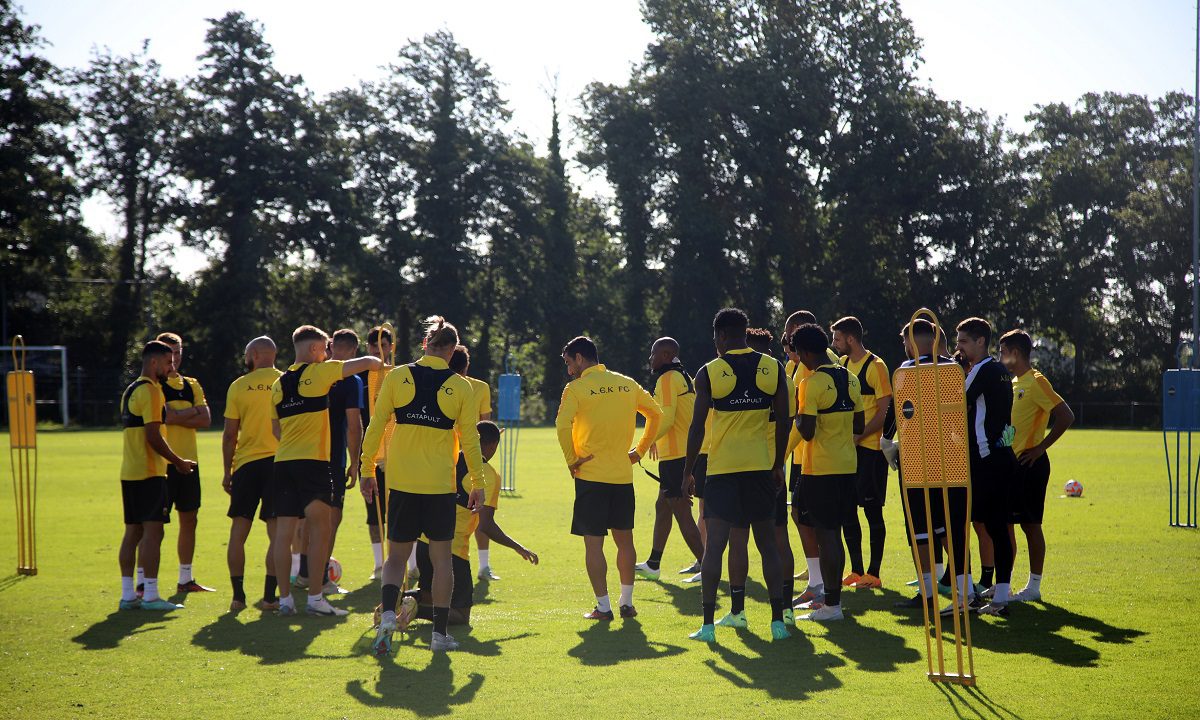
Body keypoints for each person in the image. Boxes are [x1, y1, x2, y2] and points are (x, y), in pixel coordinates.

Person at [364, 317, 484, 654]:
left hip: (402, 483)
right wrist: (478, 482)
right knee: (442, 560)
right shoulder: (462, 386)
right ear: (453, 350)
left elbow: (376, 425)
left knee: (396, 558)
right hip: (439, 486)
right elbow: (471, 441)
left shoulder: (397, 376)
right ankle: (439, 635)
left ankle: (389, 615)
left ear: (425, 344)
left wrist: (366, 468)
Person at [683, 309, 791, 642]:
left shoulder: (708, 372)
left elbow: (697, 427)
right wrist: (777, 464)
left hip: (722, 472)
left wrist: (688, 472)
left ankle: (708, 627)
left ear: (720, 336)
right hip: (760, 469)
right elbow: (784, 421)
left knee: (715, 547)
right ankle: (777, 623)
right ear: (744, 333)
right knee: (768, 546)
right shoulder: (773, 367)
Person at [269, 325, 381, 618]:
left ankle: (285, 601)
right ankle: (316, 598)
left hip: (283, 463)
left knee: (284, 533)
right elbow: (367, 363)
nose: (326, 353)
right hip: (313, 462)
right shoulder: (320, 372)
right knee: (322, 528)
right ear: (315, 349)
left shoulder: (278, 384)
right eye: (324, 348)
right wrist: (382, 363)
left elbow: (275, 429)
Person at [556, 336, 662, 621]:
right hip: (622, 476)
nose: (569, 370)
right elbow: (656, 414)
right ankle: (626, 603)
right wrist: (639, 451)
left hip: (590, 476)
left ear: (580, 358)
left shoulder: (575, 388)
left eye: (569, 363)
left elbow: (562, 424)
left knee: (594, 544)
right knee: (625, 542)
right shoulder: (627, 383)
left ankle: (603, 607)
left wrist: (571, 459)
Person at [412, 421, 538, 625]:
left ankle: (396, 602)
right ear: (493, 445)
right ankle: (414, 610)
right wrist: (518, 547)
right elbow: (486, 525)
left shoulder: (449, 458)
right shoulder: (488, 474)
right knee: (461, 615)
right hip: (452, 550)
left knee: (430, 600)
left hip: (424, 543)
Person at [890, 319, 975, 613]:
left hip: (917, 461)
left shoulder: (907, 370)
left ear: (914, 341)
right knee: (950, 528)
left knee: (921, 529)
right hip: (952, 461)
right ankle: (967, 591)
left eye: (906, 341)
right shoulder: (954, 370)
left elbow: (898, 414)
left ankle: (928, 594)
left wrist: (889, 444)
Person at [118, 341, 197, 611]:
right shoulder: (152, 391)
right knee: (154, 532)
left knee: (132, 533)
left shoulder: (130, 389)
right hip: (150, 472)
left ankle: (128, 595)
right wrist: (178, 462)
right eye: (167, 362)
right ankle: (150, 595)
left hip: (129, 471)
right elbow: (153, 435)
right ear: (154, 362)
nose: (171, 367)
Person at [793, 324, 864, 621]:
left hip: (820, 469)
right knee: (834, 533)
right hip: (847, 466)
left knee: (827, 536)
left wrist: (797, 416)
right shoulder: (850, 378)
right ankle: (832, 602)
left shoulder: (810, 383)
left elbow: (807, 431)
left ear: (805, 352)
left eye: (798, 354)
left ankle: (832, 606)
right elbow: (859, 425)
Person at [999, 329, 1074, 603]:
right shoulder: (1012, 382)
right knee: (1005, 524)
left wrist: (1041, 447)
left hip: (1029, 464)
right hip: (1010, 464)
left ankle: (1034, 586)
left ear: (1015, 353)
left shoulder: (1036, 381)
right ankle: (1003, 584)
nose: (1000, 358)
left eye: (1002, 353)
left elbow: (1066, 415)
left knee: (1030, 525)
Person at [956, 317, 1017, 616]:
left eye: (963, 342)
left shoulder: (981, 370)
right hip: (1002, 455)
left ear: (981, 341)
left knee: (966, 523)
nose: (959, 348)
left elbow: (956, 403)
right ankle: (1000, 594)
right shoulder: (1000, 369)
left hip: (986, 459)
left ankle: (971, 594)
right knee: (996, 527)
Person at [781, 310, 841, 607]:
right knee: (814, 521)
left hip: (814, 458)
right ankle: (821, 584)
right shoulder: (834, 367)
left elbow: (803, 423)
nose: (788, 343)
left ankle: (823, 589)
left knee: (817, 524)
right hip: (829, 458)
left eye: (790, 335)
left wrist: (779, 456)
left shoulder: (813, 370)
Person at [634, 337, 704, 581]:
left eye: (653, 354)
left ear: (665, 355)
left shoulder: (666, 379)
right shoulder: (683, 375)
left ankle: (707, 566)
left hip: (676, 457)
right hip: (684, 453)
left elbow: (666, 418)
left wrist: (642, 446)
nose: (650, 359)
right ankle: (653, 563)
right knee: (662, 506)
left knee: (681, 512)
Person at [221, 336, 283, 612]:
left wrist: (227, 471)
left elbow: (229, 434)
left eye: (247, 354)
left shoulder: (238, 386)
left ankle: (238, 597)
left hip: (246, 465)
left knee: (238, 532)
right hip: (279, 463)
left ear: (255, 354)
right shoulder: (285, 381)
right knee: (277, 534)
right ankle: (269, 597)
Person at [830, 317, 892, 589]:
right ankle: (856, 571)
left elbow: (885, 412)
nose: (834, 344)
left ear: (850, 339)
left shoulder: (875, 366)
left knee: (872, 511)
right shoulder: (842, 365)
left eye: (837, 339)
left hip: (871, 450)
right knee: (847, 510)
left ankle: (873, 573)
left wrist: (859, 435)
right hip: (849, 451)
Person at [150, 332, 213, 595]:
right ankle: (145, 584)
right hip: (161, 464)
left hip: (190, 463)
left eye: (178, 352)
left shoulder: (191, 384)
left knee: (190, 519)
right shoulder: (153, 385)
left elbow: (205, 419)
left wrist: (177, 414)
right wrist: (190, 412)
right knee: (153, 525)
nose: (174, 358)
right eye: (169, 353)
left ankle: (185, 578)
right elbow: (164, 418)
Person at [314, 328, 366, 594]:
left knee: (303, 517)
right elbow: (354, 426)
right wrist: (355, 462)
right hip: (331, 457)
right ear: (354, 351)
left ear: (331, 346)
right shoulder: (351, 380)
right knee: (332, 517)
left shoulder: (310, 372)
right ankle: (321, 578)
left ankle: (301, 573)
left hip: (299, 454)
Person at [449, 344, 500, 581]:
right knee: (480, 509)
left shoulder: (440, 384)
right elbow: (485, 423)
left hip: (450, 455)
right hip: (465, 457)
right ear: (466, 365)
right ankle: (483, 565)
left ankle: (416, 564)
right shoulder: (479, 387)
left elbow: (484, 426)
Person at [358, 325, 394, 579]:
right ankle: (379, 564)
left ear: (391, 347)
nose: (378, 350)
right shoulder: (360, 380)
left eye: (383, 345)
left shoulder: (398, 375)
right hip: (370, 455)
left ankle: (410, 562)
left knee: (401, 510)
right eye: (374, 346)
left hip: (396, 455)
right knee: (374, 514)